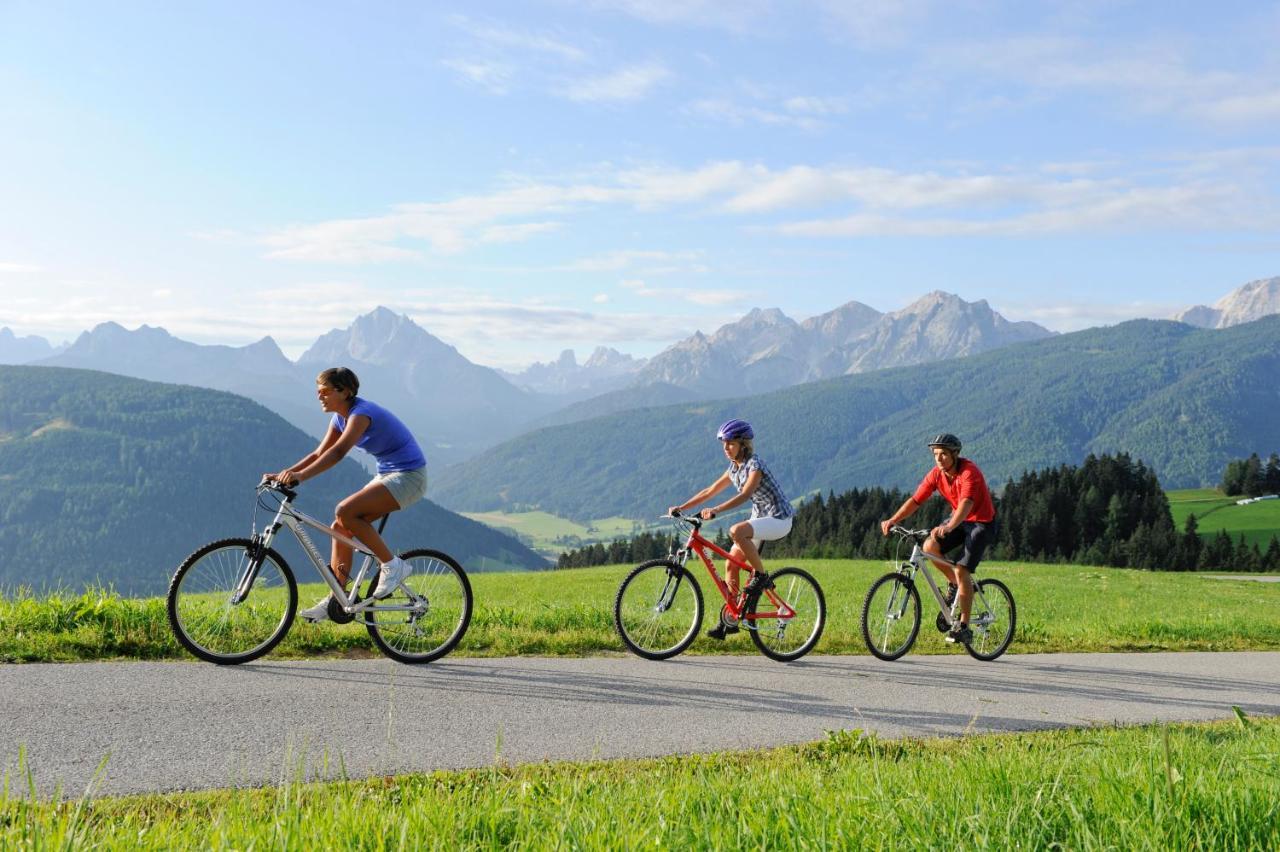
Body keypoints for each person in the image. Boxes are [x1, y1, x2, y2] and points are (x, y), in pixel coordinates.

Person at [268, 366, 428, 622]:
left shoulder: (360, 414)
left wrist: (300, 477)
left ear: (345, 392)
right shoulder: (339, 418)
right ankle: (337, 597)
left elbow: (338, 452)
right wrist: (285, 473)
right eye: (318, 392)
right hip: (388, 475)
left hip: (409, 476)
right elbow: (319, 453)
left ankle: (393, 565)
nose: (319, 397)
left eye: (324, 392)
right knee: (339, 527)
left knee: (345, 511)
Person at [669, 419, 795, 640]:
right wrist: (682, 507)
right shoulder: (734, 469)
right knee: (731, 564)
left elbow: (746, 494)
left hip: (779, 519)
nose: (726, 448)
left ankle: (761, 577)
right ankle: (732, 618)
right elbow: (709, 491)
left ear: (743, 444)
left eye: (730, 444)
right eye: (724, 444)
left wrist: (715, 510)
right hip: (760, 518)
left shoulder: (755, 464)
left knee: (736, 530)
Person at [880, 433, 997, 645]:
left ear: (954, 454)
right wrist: (893, 520)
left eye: (943, 454)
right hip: (958, 520)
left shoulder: (969, 472)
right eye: (935, 454)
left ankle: (964, 626)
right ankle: (956, 584)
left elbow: (966, 505)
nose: (939, 458)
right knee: (929, 545)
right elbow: (916, 500)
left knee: (962, 569)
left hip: (981, 523)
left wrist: (949, 526)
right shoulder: (936, 475)